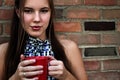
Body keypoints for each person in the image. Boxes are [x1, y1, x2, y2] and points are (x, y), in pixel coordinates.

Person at [0, 0, 88, 80]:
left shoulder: (68, 48)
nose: (37, 19)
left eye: (44, 11)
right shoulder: (4, 51)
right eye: (28, 11)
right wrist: (16, 78)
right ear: (18, 12)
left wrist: (66, 76)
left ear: (51, 13)